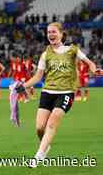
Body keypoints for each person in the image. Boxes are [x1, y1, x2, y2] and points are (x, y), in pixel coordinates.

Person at [16, 22, 98, 168]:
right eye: (48, 32)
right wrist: (23, 86)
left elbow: (89, 62)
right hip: (47, 92)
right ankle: (45, 147)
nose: (51, 35)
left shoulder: (73, 50)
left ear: (61, 34)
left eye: (54, 32)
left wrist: (93, 69)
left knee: (52, 124)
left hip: (66, 93)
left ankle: (38, 156)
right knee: (40, 128)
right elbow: (37, 77)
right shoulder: (45, 54)